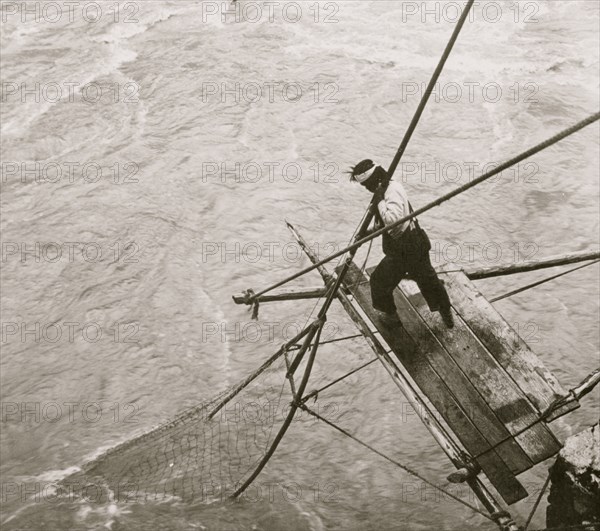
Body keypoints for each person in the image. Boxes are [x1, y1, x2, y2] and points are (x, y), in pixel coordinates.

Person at [349, 159, 454, 328]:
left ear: (373, 180)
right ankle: (391, 316)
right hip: (399, 251)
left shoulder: (391, 191)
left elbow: (392, 221)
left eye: (366, 185)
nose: (367, 189)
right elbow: (381, 224)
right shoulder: (383, 191)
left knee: (429, 283)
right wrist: (365, 234)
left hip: (413, 245)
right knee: (379, 282)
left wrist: (380, 200)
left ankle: (446, 313)